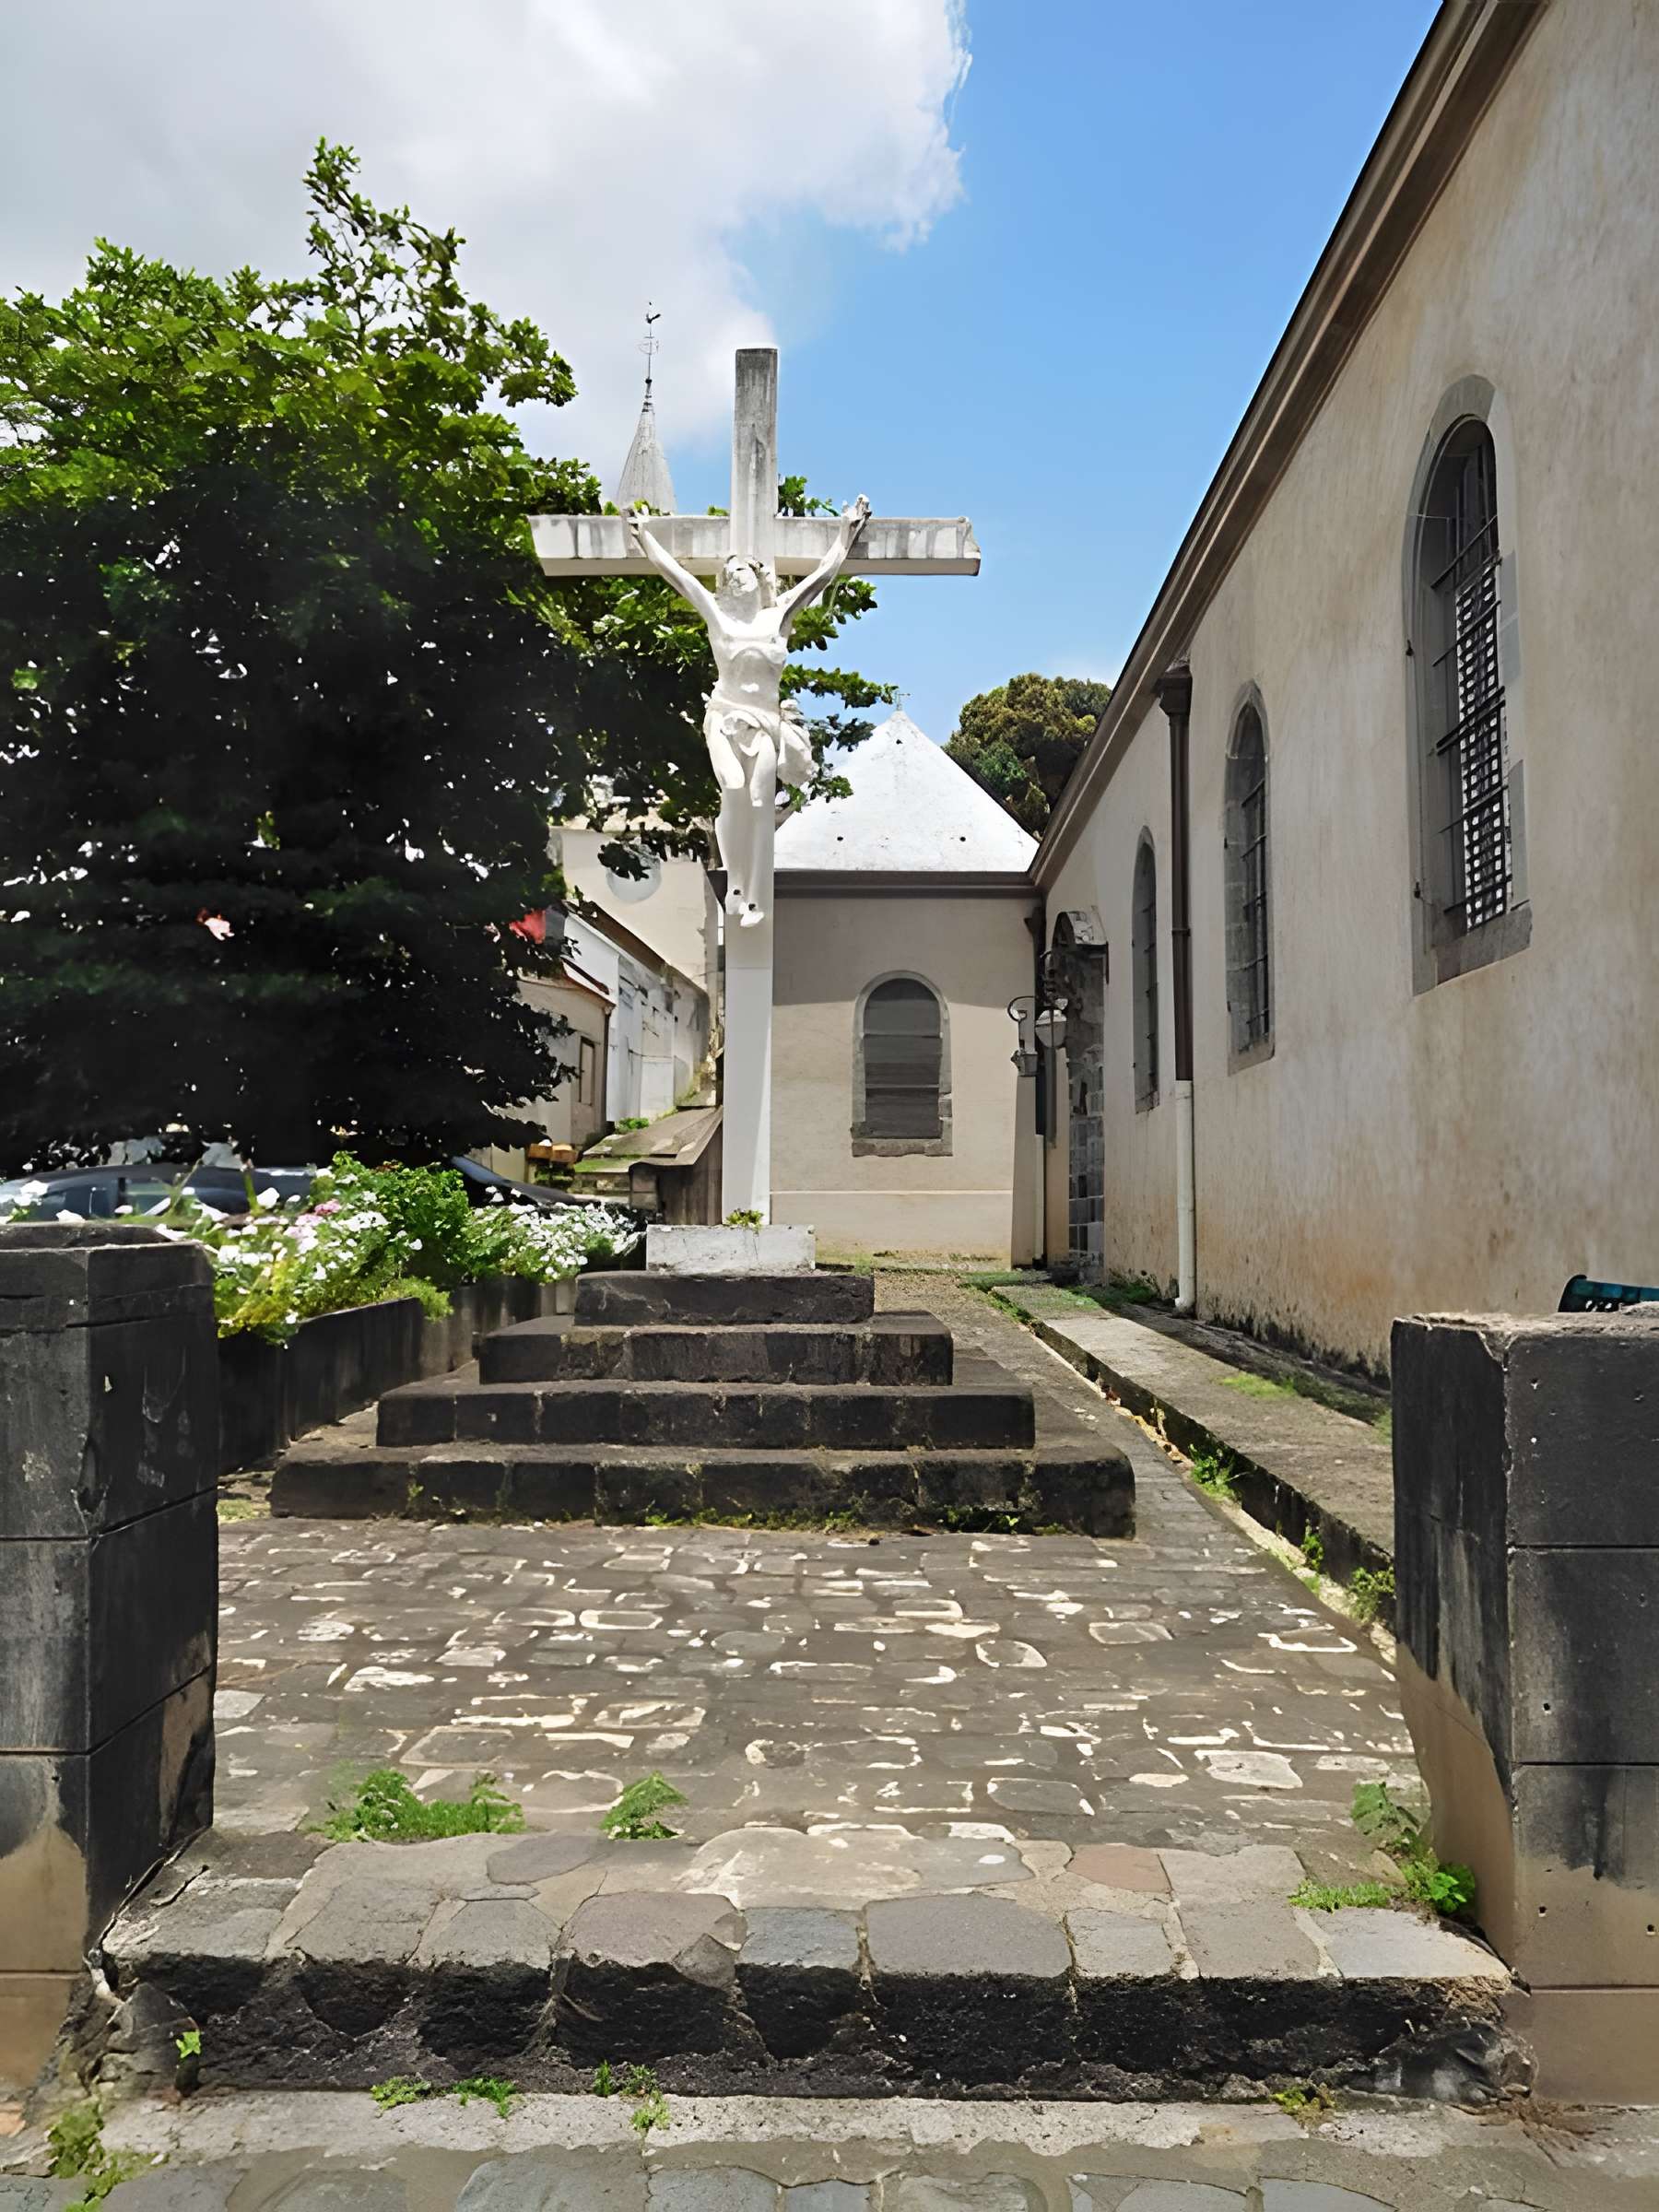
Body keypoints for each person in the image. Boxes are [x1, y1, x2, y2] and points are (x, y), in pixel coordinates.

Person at [628, 495, 870, 925]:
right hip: (724, 717)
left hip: (764, 722)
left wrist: (845, 533)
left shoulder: (778, 617)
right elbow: (678, 576)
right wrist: (645, 536)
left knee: (760, 801)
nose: (740, 579)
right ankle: (735, 886)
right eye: (733, 574)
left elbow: (822, 576)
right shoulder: (717, 617)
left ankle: (755, 896)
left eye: (746, 572)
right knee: (734, 788)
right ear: (724, 584)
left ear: (759, 582)